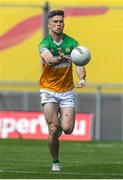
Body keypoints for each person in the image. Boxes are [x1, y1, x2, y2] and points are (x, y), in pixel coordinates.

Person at [38, 10, 86, 171]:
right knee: (53, 128)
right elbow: (49, 60)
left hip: (66, 91)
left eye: (61, 21)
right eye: (56, 22)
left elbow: (80, 62)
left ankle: (60, 125)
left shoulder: (72, 43)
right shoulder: (44, 44)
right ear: (49, 24)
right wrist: (60, 58)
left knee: (68, 129)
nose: (59, 24)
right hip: (48, 89)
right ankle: (55, 162)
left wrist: (82, 78)